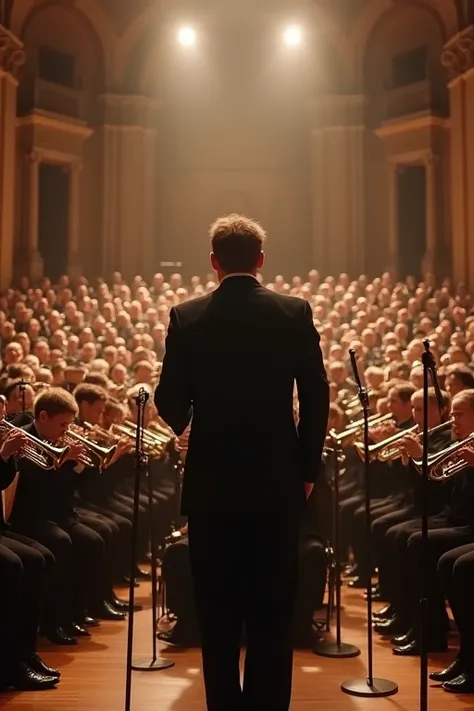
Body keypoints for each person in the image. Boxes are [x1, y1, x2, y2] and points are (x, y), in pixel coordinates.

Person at [155, 214, 329, 711]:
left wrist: (192, 425)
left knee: (218, 610)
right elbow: (317, 395)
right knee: (273, 609)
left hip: (211, 483)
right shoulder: (293, 312)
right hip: (277, 481)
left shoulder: (187, 316)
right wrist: (307, 469)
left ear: (213, 262)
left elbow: (168, 398)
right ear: (260, 260)